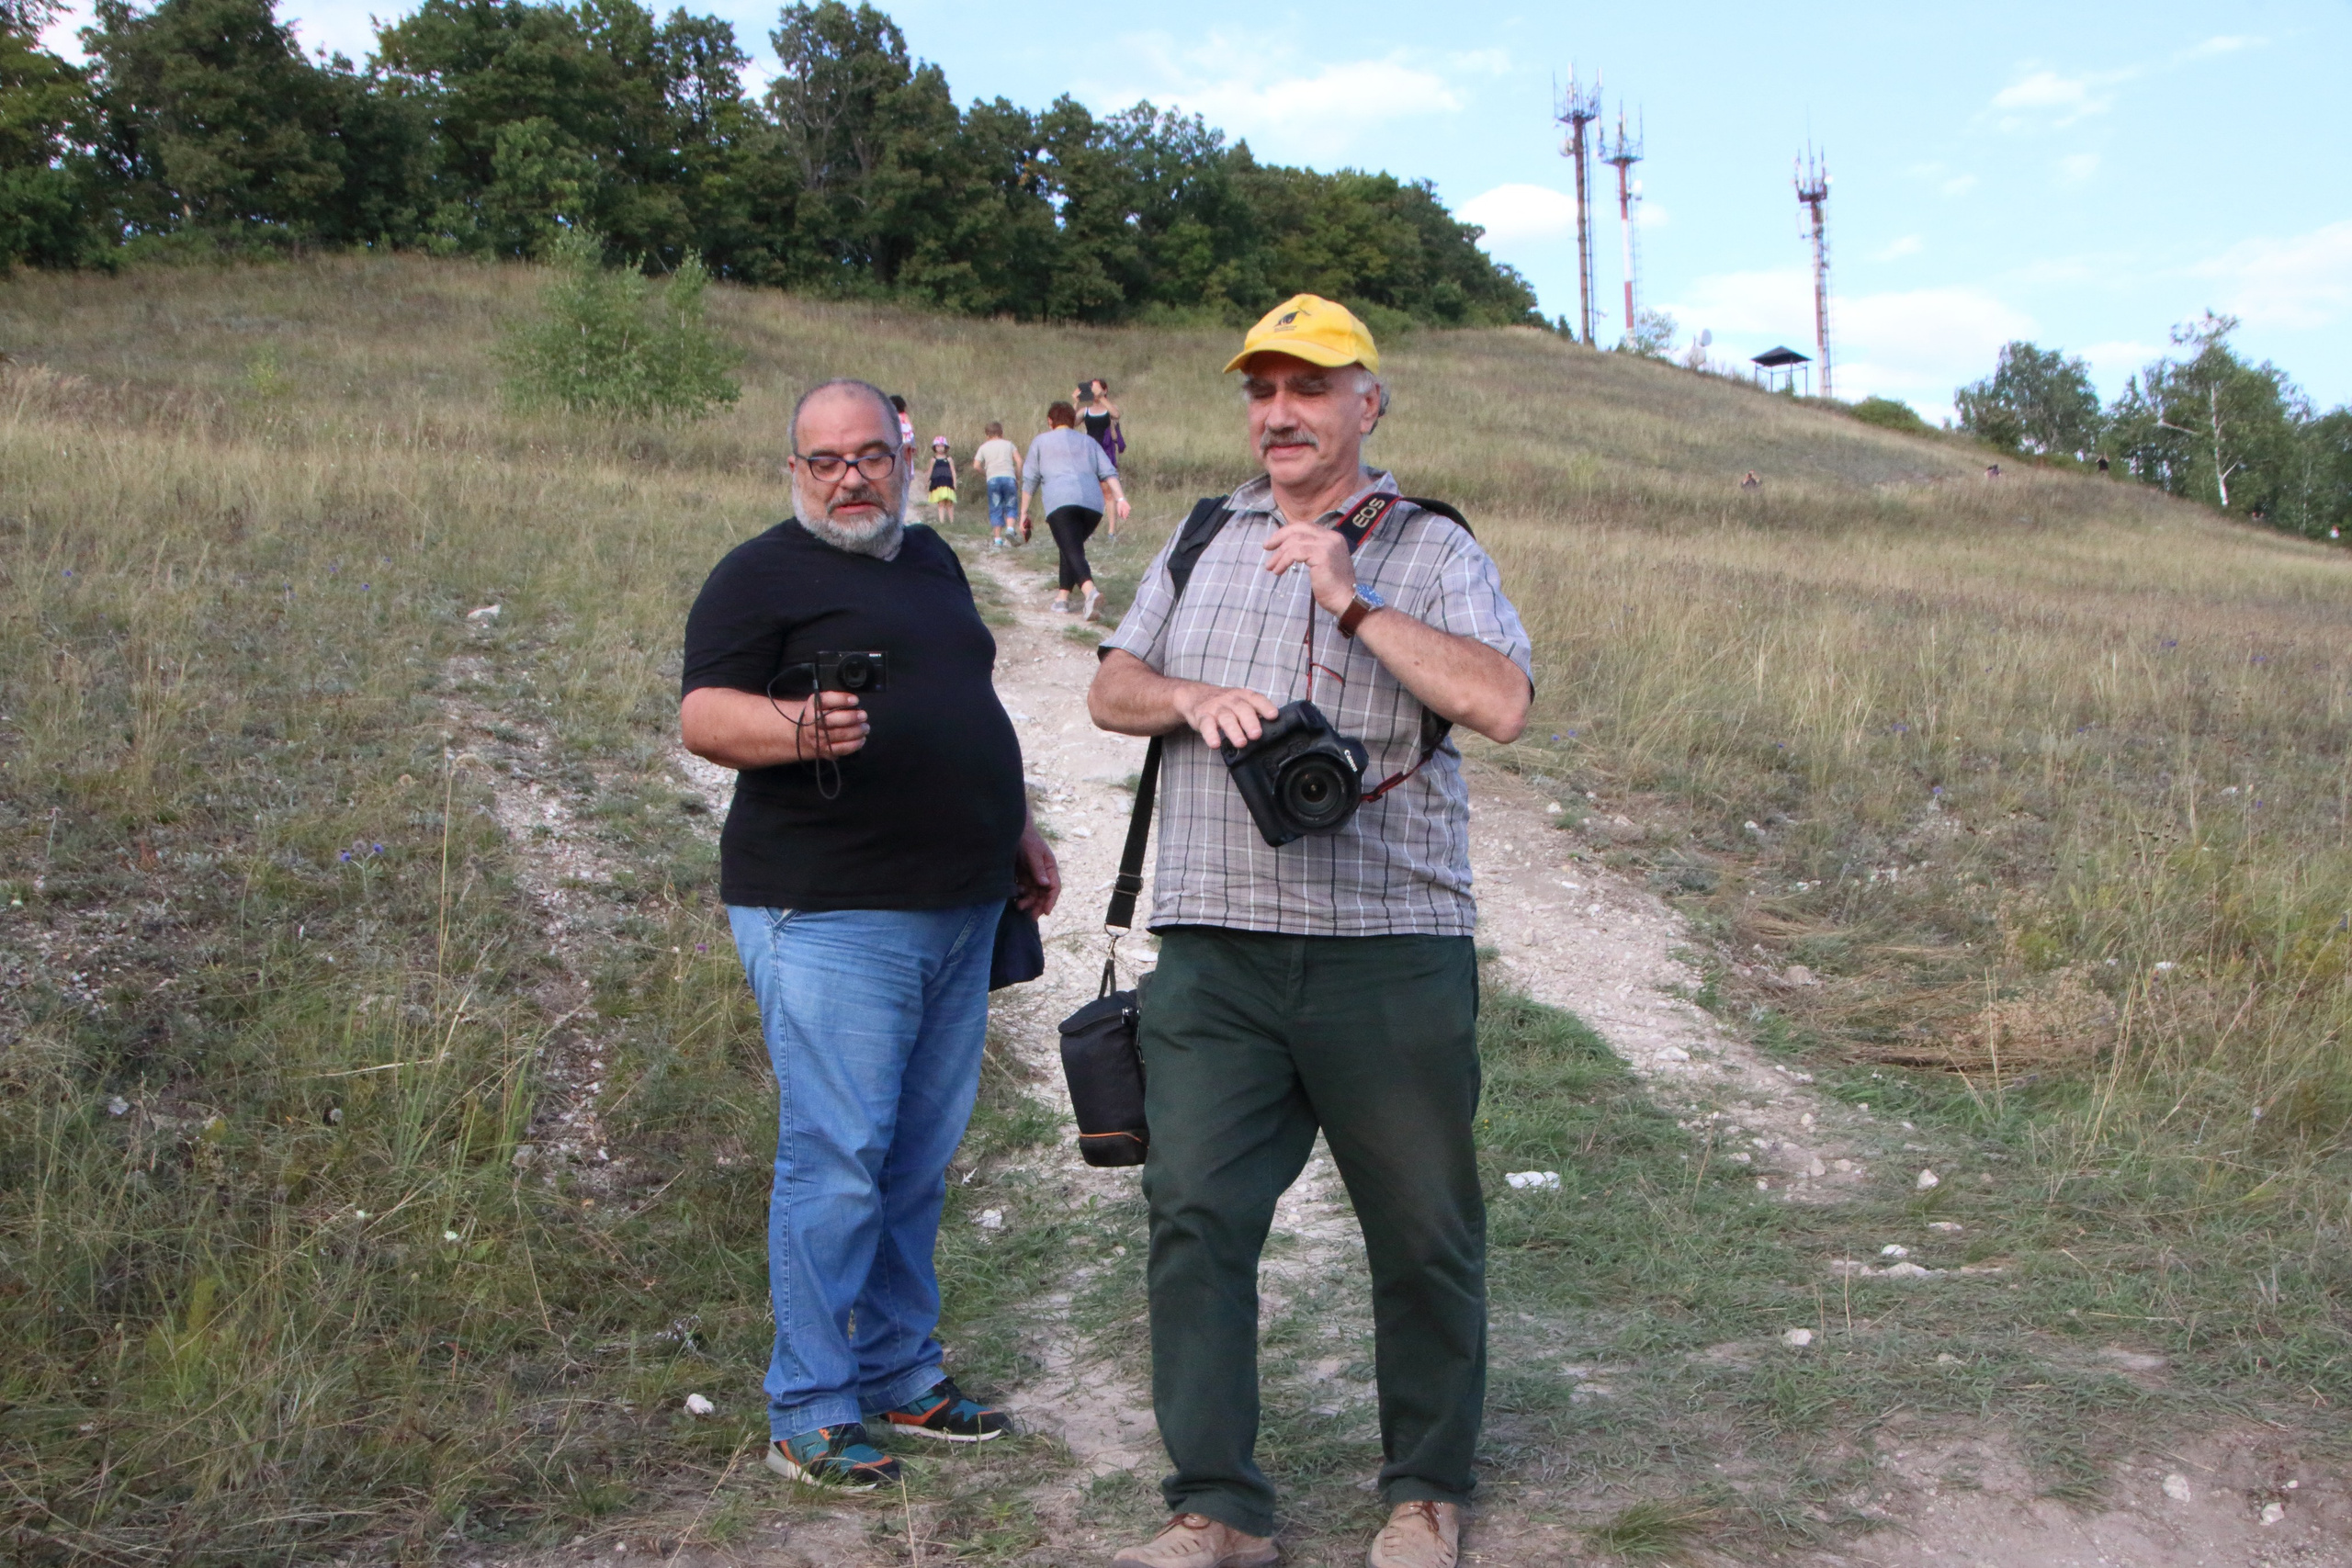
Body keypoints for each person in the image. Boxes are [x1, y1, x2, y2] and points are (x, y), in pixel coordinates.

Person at [1087, 296, 1533, 1568]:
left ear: (1365, 403)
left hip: (1387, 946)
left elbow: (1501, 701)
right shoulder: (1200, 533)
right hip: (1214, 949)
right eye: (1261, 388)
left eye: (1309, 386)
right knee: (1195, 1214)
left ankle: (1426, 1489)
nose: (1279, 411)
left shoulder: (1429, 544)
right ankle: (1216, 1503)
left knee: (1423, 1225)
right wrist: (1190, 695)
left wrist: (1351, 601)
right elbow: (1112, 685)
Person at [679, 378, 1062, 1494]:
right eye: (825, 460)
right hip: (829, 910)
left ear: (904, 456)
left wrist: (1019, 830)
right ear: (793, 471)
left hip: (958, 902)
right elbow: (705, 716)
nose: (851, 478)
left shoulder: (931, 562)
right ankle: (807, 1406)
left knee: (913, 1161)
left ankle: (899, 1370)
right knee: (837, 1161)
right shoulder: (758, 575)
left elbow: (965, 706)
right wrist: (795, 729)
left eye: (869, 456)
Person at [1019, 400, 1130, 622]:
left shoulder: (1040, 441)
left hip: (1061, 502)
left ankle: (1090, 593)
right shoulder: (1089, 442)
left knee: (1071, 549)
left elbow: (1030, 479)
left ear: (1050, 421)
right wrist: (1120, 498)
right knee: (1070, 547)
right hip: (1093, 506)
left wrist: (1024, 512)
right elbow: (1109, 472)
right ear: (1074, 421)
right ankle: (1062, 598)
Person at [1080, 378, 1126, 534]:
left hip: (1106, 452)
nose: (1093, 392)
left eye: (1096, 388)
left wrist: (1101, 398)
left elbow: (1116, 413)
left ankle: (1111, 530)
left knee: (1108, 491)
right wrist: (1077, 400)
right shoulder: (1086, 409)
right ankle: (1089, 530)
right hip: (1089, 453)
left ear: (1104, 390)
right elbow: (1071, 422)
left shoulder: (1108, 407)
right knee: (1089, 491)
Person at [974, 420, 1023, 548]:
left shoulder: (984, 447)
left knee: (996, 508)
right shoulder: (1009, 444)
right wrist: (1017, 477)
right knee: (1011, 505)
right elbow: (1019, 461)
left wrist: (986, 473)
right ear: (1001, 433)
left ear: (987, 434)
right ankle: (1010, 530)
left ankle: (997, 540)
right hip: (1008, 477)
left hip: (993, 479)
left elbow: (976, 466)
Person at [926, 435, 957, 527]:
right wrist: (927, 481)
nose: (940, 448)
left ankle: (952, 522)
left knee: (949, 502)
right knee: (941, 503)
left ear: (945, 447)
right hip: (937, 483)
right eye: (938, 446)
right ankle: (941, 522)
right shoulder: (933, 460)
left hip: (948, 483)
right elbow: (930, 471)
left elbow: (953, 471)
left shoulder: (949, 459)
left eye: (942, 446)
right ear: (935, 448)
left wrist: (955, 482)